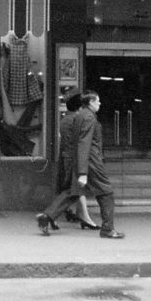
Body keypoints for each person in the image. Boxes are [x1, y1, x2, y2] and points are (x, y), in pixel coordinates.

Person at [40, 90, 123, 239]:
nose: (100, 103)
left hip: (81, 160)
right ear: (90, 102)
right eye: (97, 101)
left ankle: (47, 216)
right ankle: (108, 229)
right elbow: (84, 143)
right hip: (91, 162)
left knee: (73, 192)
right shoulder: (89, 118)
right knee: (106, 193)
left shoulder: (79, 116)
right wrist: (83, 172)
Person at [35, 88, 98, 235]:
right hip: (74, 159)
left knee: (73, 190)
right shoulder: (78, 119)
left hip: (66, 157)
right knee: (74, 190)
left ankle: (54, 217)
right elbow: (81, 142)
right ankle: (48, 216)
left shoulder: (65, 119)